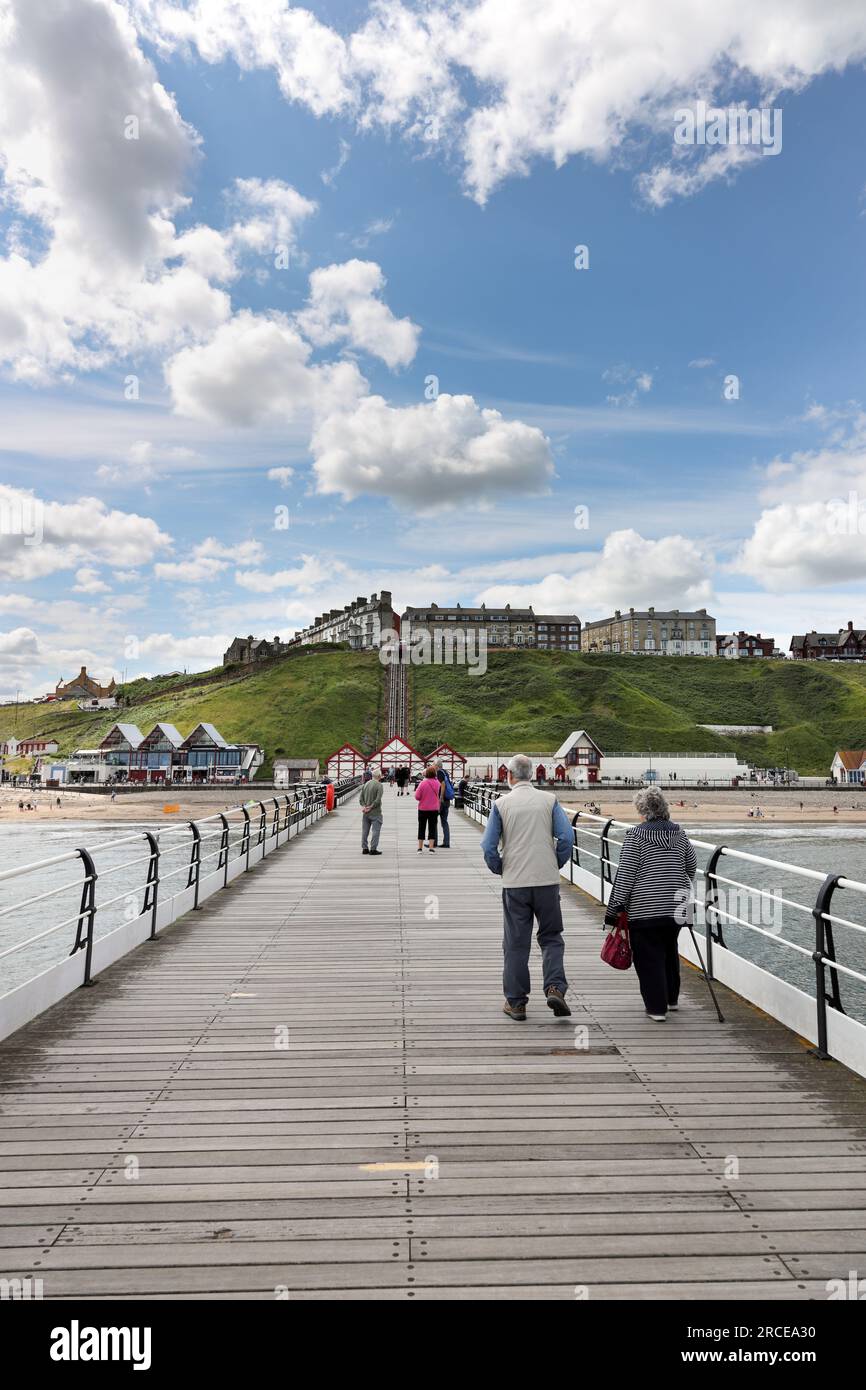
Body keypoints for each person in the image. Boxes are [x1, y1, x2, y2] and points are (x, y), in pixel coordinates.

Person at [480, 753, 574, 1022]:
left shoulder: (501, 804)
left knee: (516, 943)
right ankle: (555, 987)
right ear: (531, 774)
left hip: (516, 883)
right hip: (546, 882)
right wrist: (554, 863)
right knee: (551, 937)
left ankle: (517, 1003)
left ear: (509, 776)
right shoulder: (549, 800)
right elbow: (566, 837)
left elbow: (488, 847)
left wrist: (500, 868)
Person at [603, 786, 697, 1022]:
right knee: (668, 950)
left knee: (648, 957)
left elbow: (625, 876)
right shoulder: (680, 833)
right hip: (675, 907)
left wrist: (614, 909)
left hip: (645, 910)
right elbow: (692, 866)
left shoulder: (635, 836)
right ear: (664, 808)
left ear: (643, 811)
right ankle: (671, 1000)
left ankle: (657, 1008)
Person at [415, 765, 441, 852]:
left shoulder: (423, 783)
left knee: (421, 827)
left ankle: (420, 848)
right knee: (432, 828)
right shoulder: (438, 783)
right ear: (435, 773)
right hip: (434, 809)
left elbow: (417, 797)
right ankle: (431, 848)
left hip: (423, 809)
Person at [359, 770, 384, 855]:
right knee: (375, 831)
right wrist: (370, 807)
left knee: (365, 831)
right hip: (375, 812)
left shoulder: (366, 784)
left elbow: (361, 798)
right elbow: (378, 800)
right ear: (379, 776)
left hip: (365, 812)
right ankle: (373, 849)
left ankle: (365, 848)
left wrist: (364, 806)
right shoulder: (379, 785)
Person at [434, 759, 455, 847]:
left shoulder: (439, 772)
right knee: (444, 822)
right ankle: (446, 843)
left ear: (437, 765)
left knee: (434, 821)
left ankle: (434, 842)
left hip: (441, 801)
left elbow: (443, 784)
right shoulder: (445, 772)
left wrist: (440, 797)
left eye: (433, 764)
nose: (433, 766)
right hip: (447, 801)